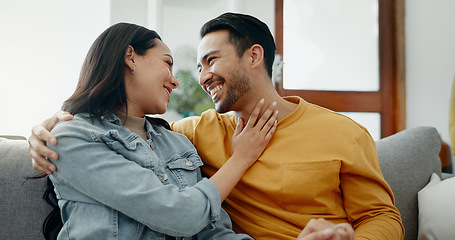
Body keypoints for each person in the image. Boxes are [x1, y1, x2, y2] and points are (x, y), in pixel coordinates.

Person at [28, 12, 398, 240]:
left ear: (254, 56)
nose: (200, 77)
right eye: (196, 65)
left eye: (211, 60)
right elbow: (123, 139)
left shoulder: (344, 133)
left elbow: (381, 216)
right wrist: (42, 129)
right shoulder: (194, 133)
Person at [33, 22, 284, 240]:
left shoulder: (179, 143)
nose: (175, 81)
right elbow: (180, 214)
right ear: (130, 57)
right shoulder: (70, 137)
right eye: (167, 63)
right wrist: (240, 159)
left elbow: (212, 233)